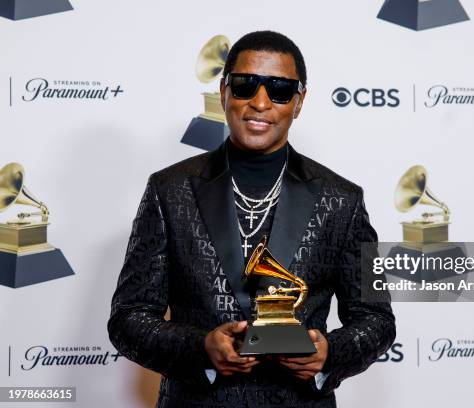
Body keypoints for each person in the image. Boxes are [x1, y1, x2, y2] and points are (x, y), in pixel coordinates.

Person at [107, 30, 396, 408]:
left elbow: (376, 319)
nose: (259, 103)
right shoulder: (169, 189)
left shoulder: (342, 199)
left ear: (299, 101)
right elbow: (128, 318)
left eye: (279, 90)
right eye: (245, 86)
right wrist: (201, 348)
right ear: (224, 92)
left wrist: (328, 354)